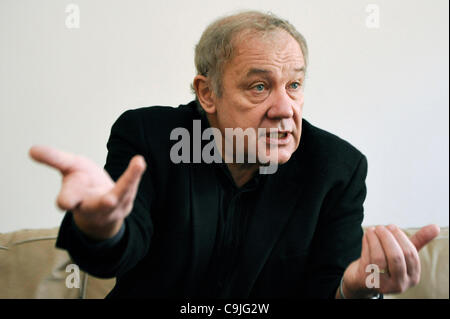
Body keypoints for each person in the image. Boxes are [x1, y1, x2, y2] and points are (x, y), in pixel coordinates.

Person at [29, 11, 439, 299]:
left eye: (294, 85)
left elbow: (330, 285)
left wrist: (352, 290)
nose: (284, 108)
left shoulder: (337, 168)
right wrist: (101, 226)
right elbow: (118, 250)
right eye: (259, 87)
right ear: (208, 93)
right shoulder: (149, 137)